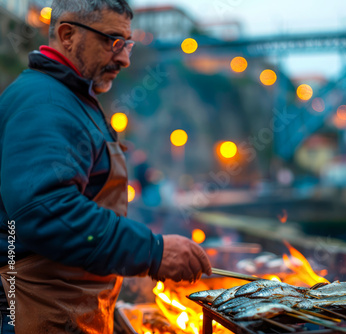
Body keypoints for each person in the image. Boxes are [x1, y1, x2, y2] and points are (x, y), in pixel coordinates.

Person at [0, 0, 211, 332]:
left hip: (66, 308)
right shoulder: (45, 102)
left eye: (127, 44)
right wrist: (153, 251)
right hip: (33, 310)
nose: (124, 58)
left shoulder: (68, 98)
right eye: (113, 41)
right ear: (67, 35)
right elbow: (46, 211)